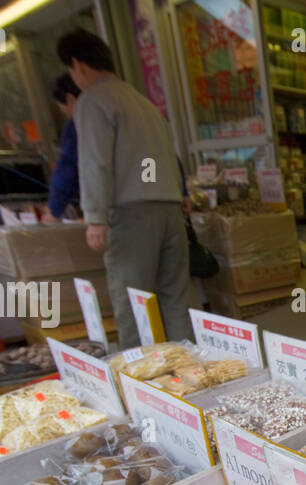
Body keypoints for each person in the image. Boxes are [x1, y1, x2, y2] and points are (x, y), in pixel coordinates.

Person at [57, 29, 190, 346]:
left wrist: (95, 217)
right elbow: (167, 157)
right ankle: (191, 372)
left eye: (71, 70)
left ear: (78, 64)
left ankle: (138, 381)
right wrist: (181, 193)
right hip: (170, 210)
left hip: (132, 215)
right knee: (175, 298)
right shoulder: (143, 103)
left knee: (134, 303)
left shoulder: (93, 102)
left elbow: (94, 162)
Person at [47, 74, 79, 219]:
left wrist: (54, 209)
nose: (64, 113)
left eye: (62, 107)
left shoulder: (75, 126)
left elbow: (67, 170)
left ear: (70, 99)